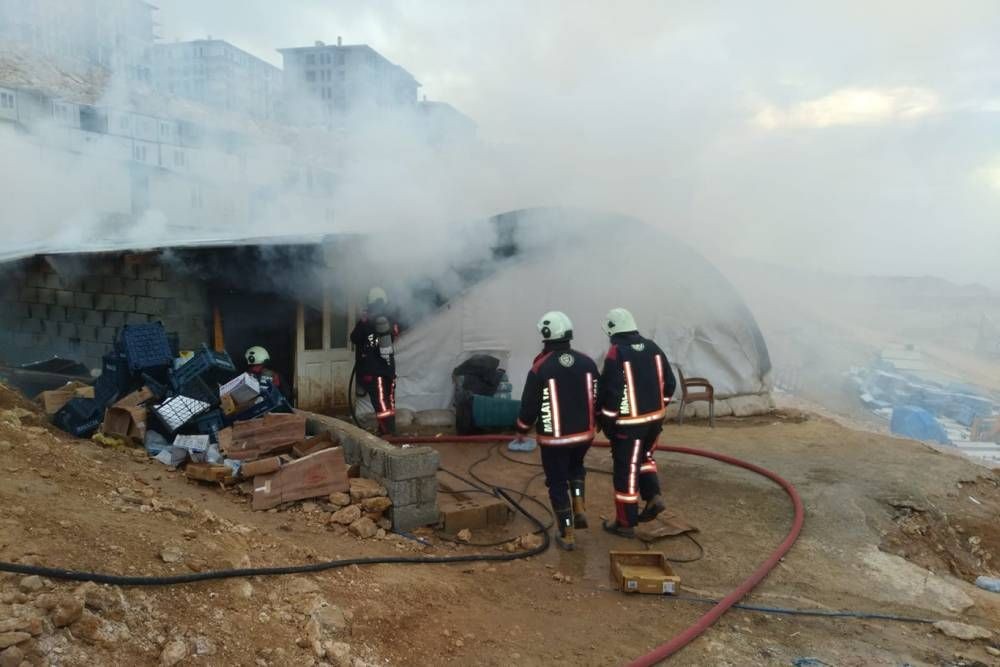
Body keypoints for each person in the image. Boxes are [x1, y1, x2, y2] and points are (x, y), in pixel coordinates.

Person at [515, 311, 599, 550]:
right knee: (576, 469)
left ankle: (567, 532)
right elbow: (597, 395)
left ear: (545, 335)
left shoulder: (541, 367)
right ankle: (579, 505)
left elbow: (529, 404)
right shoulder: (588, 362)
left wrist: (522, 428)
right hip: (584, 435)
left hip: (555, 439)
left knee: (557, 482)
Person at [597, 308, 677, 537]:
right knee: (644, 458)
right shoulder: (653, 347)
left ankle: (625, 523)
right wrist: (657, 408)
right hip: (654, 422)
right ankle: (653, 496)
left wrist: (609, 422)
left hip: (629, 426)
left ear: (612, 330)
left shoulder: (617, 352)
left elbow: (611, 392)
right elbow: (669, 384)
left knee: (625, 471)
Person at [350, 287, 400, 435]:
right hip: (389, 369)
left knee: (381, 402)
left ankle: (388, 433)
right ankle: (388, 430)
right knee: (388, 401)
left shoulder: (367, 322)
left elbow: (354, 338)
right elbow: (395, 333)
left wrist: (363, 321)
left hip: (375, 371)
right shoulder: (390, 320)